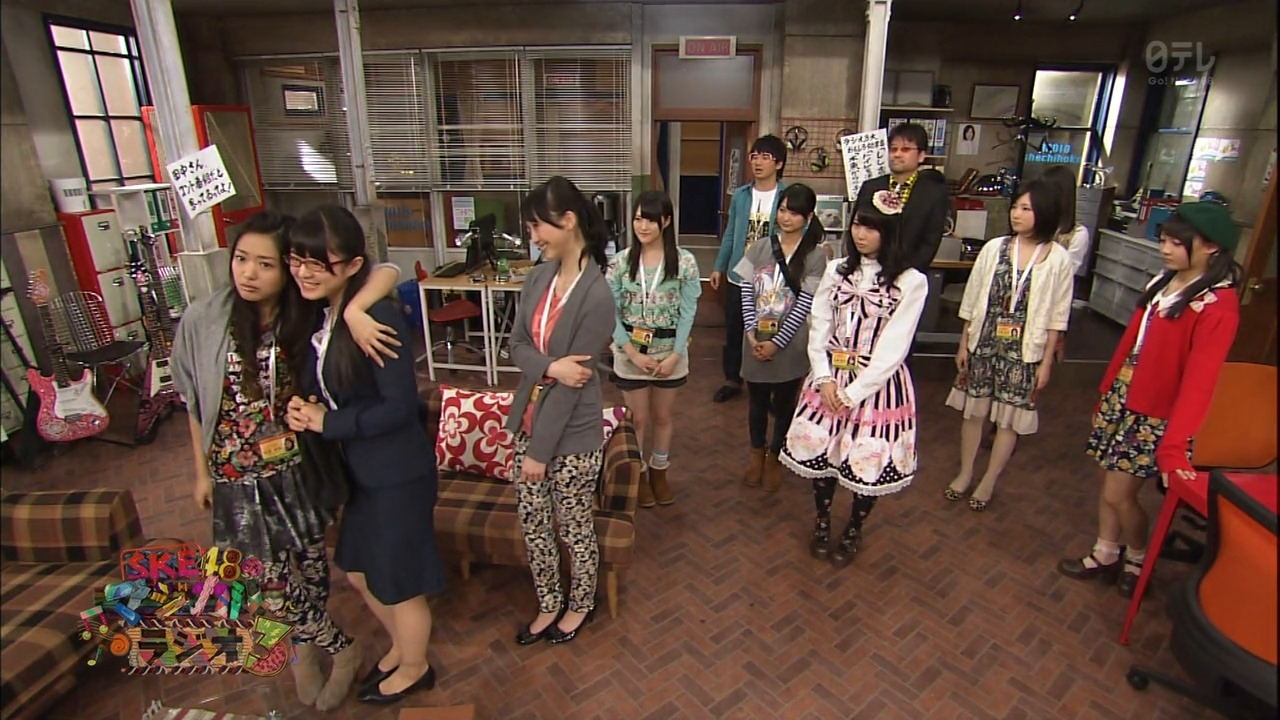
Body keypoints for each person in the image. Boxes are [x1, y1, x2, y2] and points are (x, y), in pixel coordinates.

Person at [170, 210, 400, 711]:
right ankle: (340, 648)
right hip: (236, 475)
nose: (248, 273)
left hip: (298, 470)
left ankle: (304, 654)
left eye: (265, 264)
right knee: (263, 584)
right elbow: (193, 400)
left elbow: (384, 271)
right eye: (241, 259)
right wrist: (200, 470)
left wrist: (357, 311)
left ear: (288, 267)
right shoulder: (205, 319)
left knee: (311, 574)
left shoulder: (309, 311)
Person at [285, 205, 447, 705]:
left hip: (397, 473)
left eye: (318, 263)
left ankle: (416, 667)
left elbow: (398, 407)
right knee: (357, 569)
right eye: (296, 260)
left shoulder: (375, 316)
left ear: (352, 265)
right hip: (361, 471)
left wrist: (327, 422)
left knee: (399, 581)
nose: (304, 272)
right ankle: (403, 645)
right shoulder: (330, 312)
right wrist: (305, 407)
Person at [1058, 202, 1240, 597]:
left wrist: (1176, 445)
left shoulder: (1217, 305)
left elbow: (1200, 382)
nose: (1165, 249)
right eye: (1164, 240)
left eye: (1177, 243)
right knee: (1106, 478)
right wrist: (1106, 392)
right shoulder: (1163, 282)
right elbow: (1131, 343)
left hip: (1155, 410)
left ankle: (1138, 557)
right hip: (1125, 393)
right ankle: (1106, 550)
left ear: (1211, 247)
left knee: (1119, 493)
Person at [781, 191, 928, 567]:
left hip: (876, 387)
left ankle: (854, 528)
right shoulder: (837, 270)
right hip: (830, 377)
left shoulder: (911, 282)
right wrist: (824, 377)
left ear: (890, 232)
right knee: (824, 453)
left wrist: (854, 392)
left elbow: (896, 345)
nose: (861, 234)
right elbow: (819, 324)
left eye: (872, 228)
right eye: (858, 224)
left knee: (867, 459)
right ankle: (822, 520)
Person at [507, 176, 616, 646]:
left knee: (574, 527)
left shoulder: (597, 295)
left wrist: (539, 452)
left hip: (571, 433)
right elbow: (515, 346)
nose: (533, 237)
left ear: (568, 221)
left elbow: (574, 387)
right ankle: (548, 601)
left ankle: (580, 603)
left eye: (537, 227)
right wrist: (550, 365)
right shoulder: (538, 278)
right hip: (528, 421)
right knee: (534, 525)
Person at [944, 179, 1075, 511]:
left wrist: (1046, 362)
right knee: (974, 412)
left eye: (1026, 208)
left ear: (1044, 212)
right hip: (985, 341)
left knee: (1008, 420)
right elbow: (972, 298)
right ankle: (965, 472)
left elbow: (1058, 315)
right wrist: (964, 343)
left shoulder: (1058, 258)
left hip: (1024, 350)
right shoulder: (995, 248)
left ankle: (989, 480)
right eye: (1015, 207)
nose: (1016, 214)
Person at [607, 190, 701, 508]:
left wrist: (675, 354)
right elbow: (610, 312)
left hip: (669, 354)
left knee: (662, 417)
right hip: (630, 354)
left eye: (650, 220)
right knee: (637, 420)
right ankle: (640, 474)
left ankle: (660, 472)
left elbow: (688, 312)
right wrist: (632, 353)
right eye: (638, 219)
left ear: (666, 221)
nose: (643, 226)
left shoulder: (685, 262)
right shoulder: (620, 262)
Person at [738, 183, 828, 491]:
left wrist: (777, 343)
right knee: (756, 403)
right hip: (755, 338)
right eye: (782, 210)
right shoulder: (759, 246)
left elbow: (805, 304)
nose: (786, 217)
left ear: (808, 216)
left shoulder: (815, 255)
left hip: (791, 343)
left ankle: (776, 455)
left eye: (794, 212)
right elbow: (745, 290)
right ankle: (756, 455)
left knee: (786, 403)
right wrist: (751, 334)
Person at [854, 123, 949, 370]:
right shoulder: (871, 186)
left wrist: (905, 275)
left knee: (898, 340)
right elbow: (856, 227)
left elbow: (930, 240)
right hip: (868, 276)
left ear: (921, 155)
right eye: (893, 148)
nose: (897, 154)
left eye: (905, 149)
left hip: (906, 279)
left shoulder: (933, 193)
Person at [710, 134, 789, 403]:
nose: (758, 162)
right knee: (735, 328)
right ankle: (732, 379)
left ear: (778, 163)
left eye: (765, 157)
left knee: (769, 328)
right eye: (754, 156)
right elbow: (731, 232)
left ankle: (768, 382)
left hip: (773, 276)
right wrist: (719, 266)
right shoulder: (741, 195)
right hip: (740, 271)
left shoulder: (786, 196)